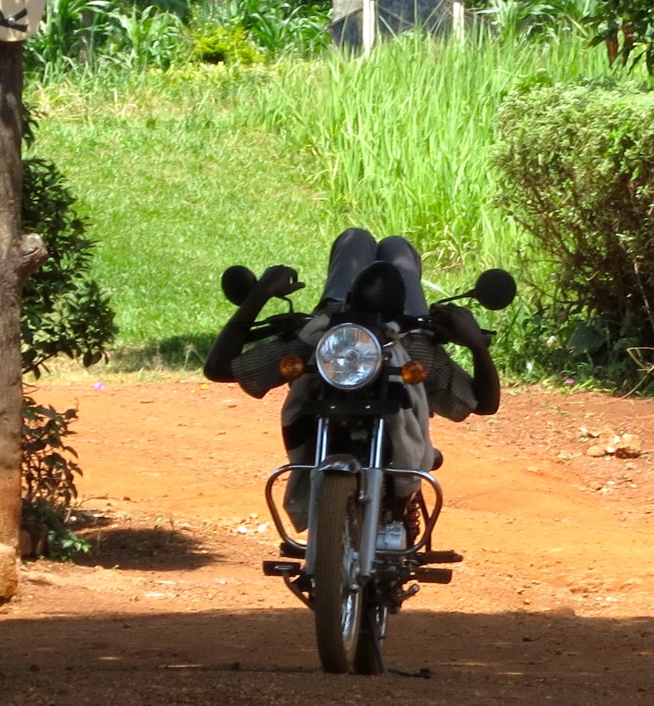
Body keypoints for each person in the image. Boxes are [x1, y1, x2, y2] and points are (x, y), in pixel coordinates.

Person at [204, 227, 501, 530]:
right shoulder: (403, 349)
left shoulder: (317, 341)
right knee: (371, 241)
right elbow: (484, 403)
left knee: (363, 241)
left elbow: (219, 368)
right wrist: (475, 344)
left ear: (346, 301)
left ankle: (403, 499)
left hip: (344, 321)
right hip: (365, 327)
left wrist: (260, 294)